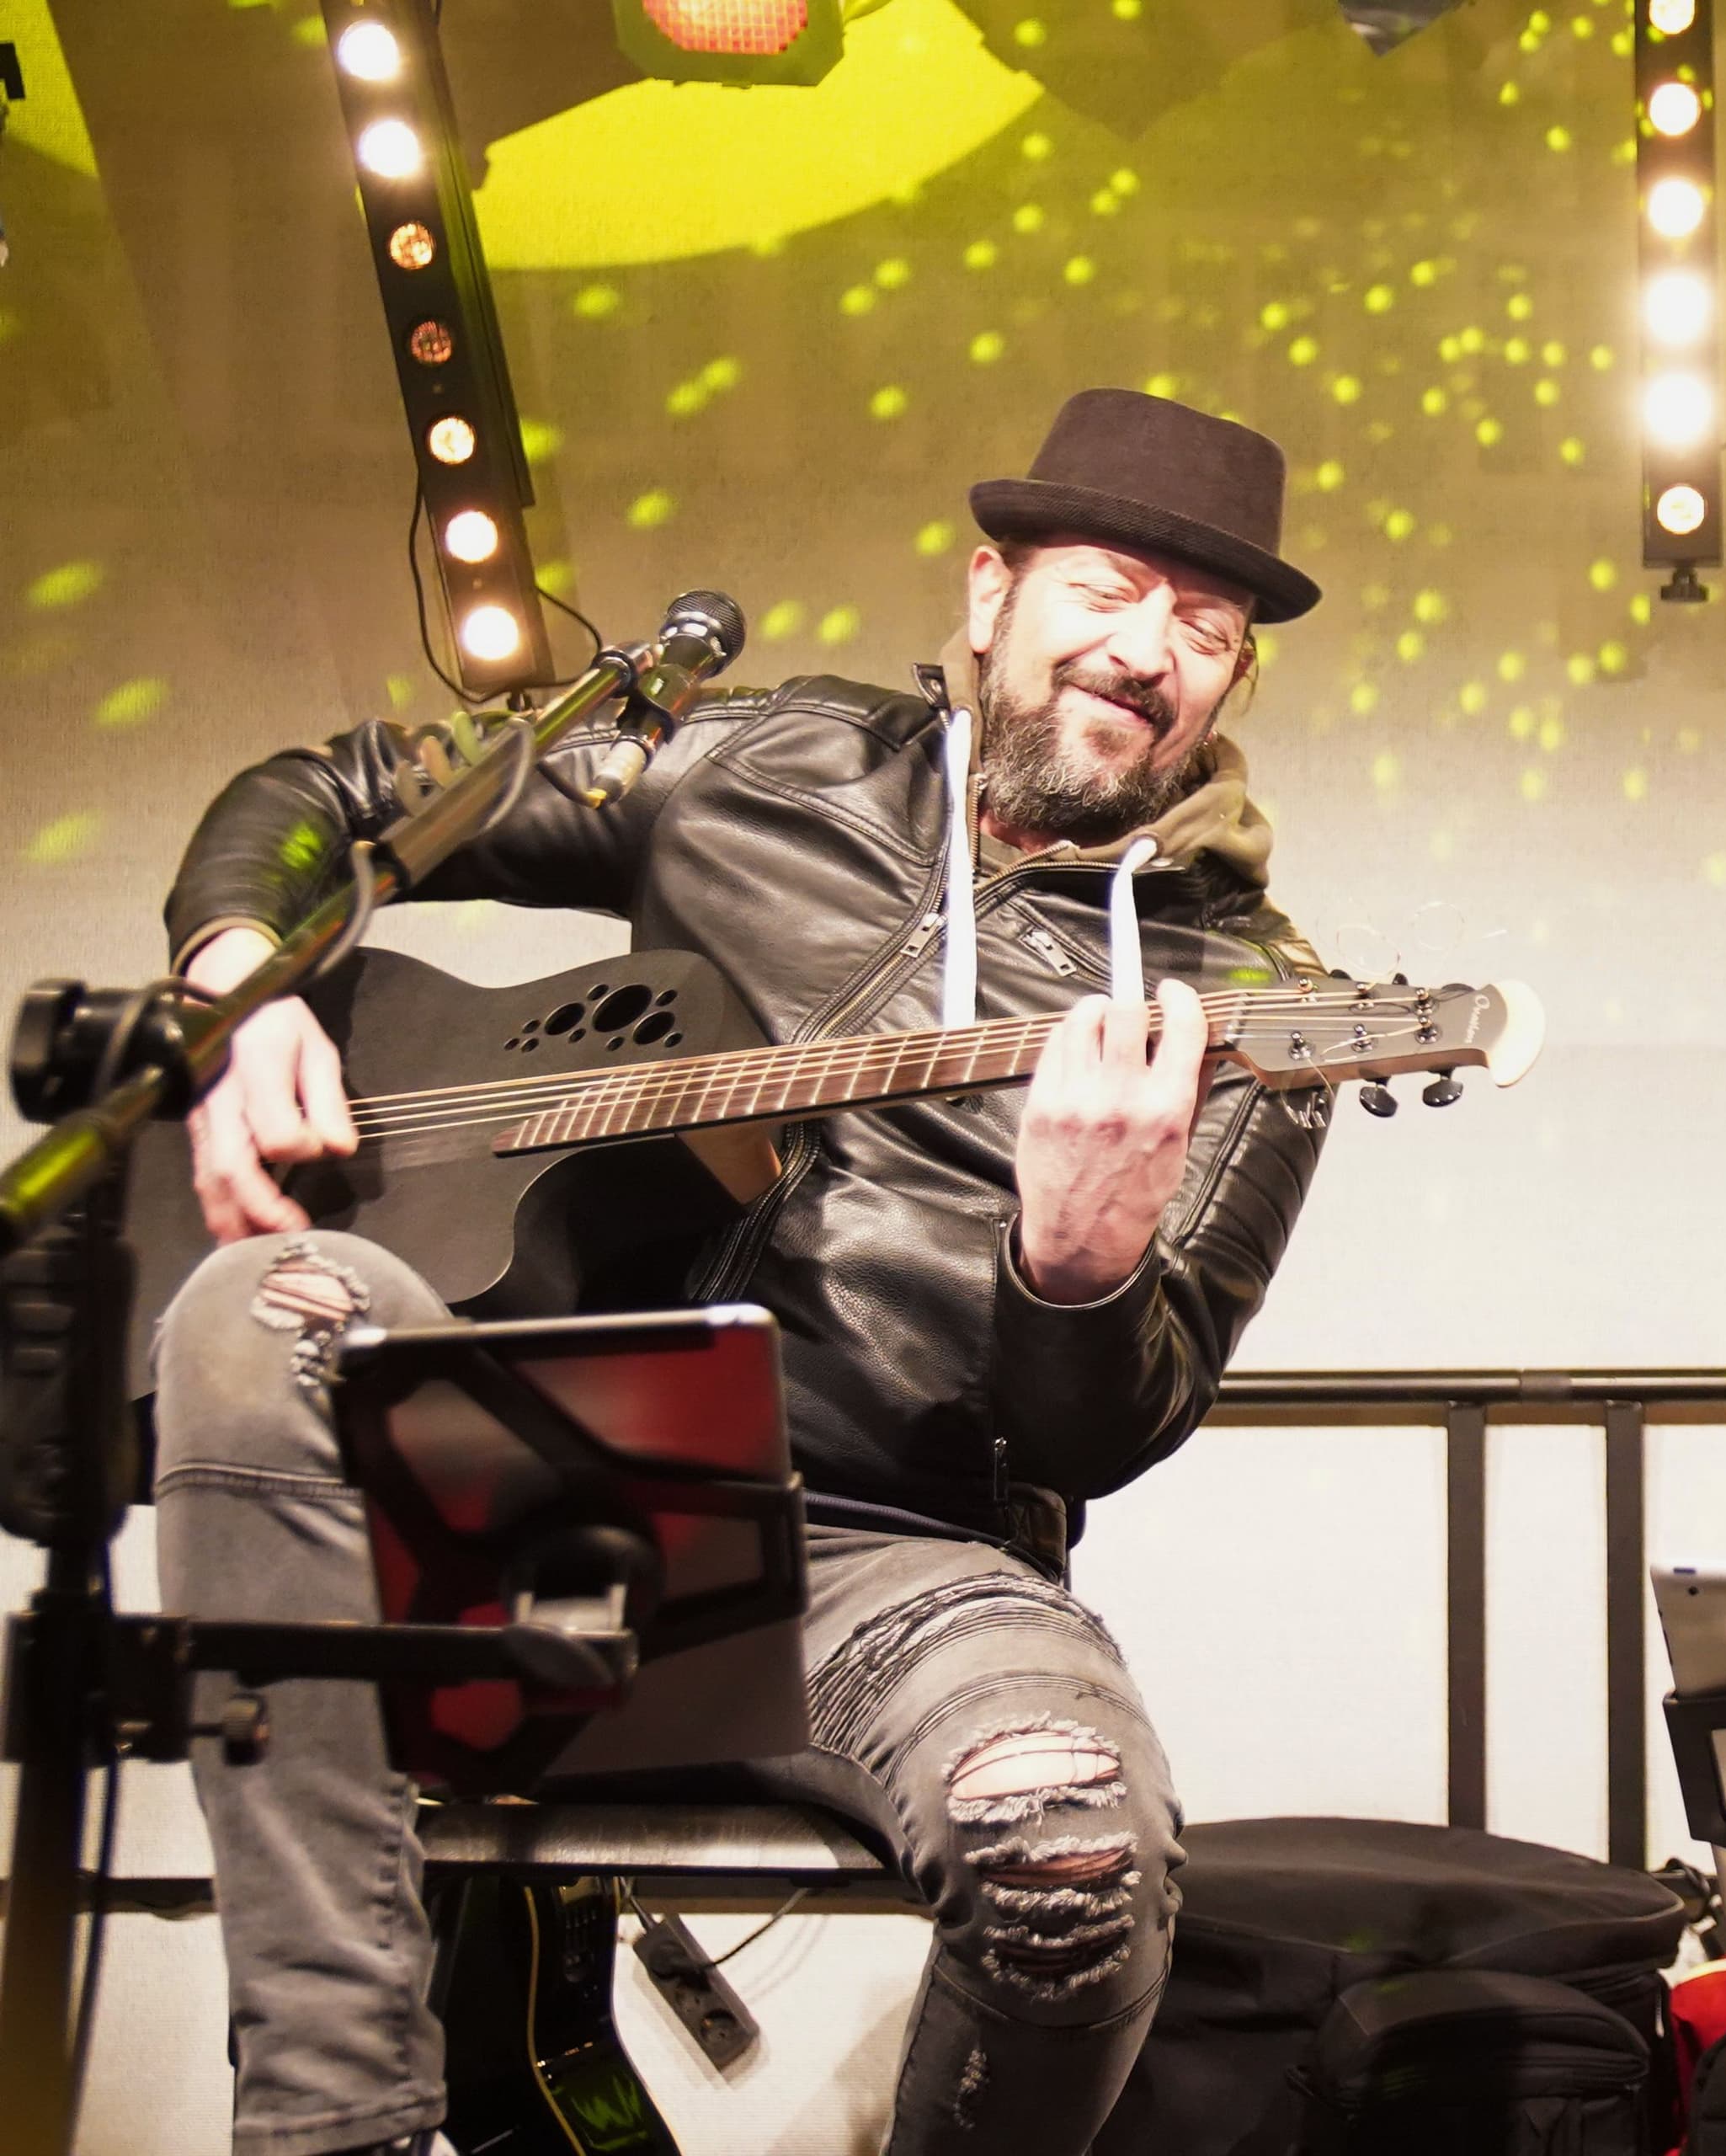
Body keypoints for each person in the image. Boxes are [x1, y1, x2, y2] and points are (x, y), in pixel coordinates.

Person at [153, 388, 1332, 2156]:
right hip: (529, 1488)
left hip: (891, 1562)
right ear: (992, 592)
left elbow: (1105, 1430)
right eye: (1106, 588)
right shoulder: (753, 761)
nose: (1149, 650)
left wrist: (1078, 1262)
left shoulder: (1254, 1005)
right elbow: (338, 791)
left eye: (1208, 626)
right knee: (261, 1307)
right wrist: (240, 990)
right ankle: (336, 2131)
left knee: (1074, 1854)